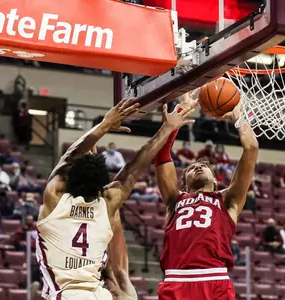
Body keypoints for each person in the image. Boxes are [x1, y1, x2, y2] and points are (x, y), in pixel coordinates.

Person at [36, 98, 195, 300]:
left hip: (66, 294)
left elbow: (68, 157)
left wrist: (104, 125)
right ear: (103, 184)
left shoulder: (55, 196)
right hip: (99, 295)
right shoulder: (106, 202)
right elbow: (134, 169)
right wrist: (168, 127)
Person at [153, 92, 259, 300]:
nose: (199, 166)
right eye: (193, 168)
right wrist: (179, 113)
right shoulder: (175, 200)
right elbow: (161, 155)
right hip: (176, 280)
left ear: (216, 181)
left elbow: (251, 148)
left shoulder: (228, 200)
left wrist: (239, 117)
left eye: (204, 166)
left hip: (214, 280)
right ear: (184, 182)